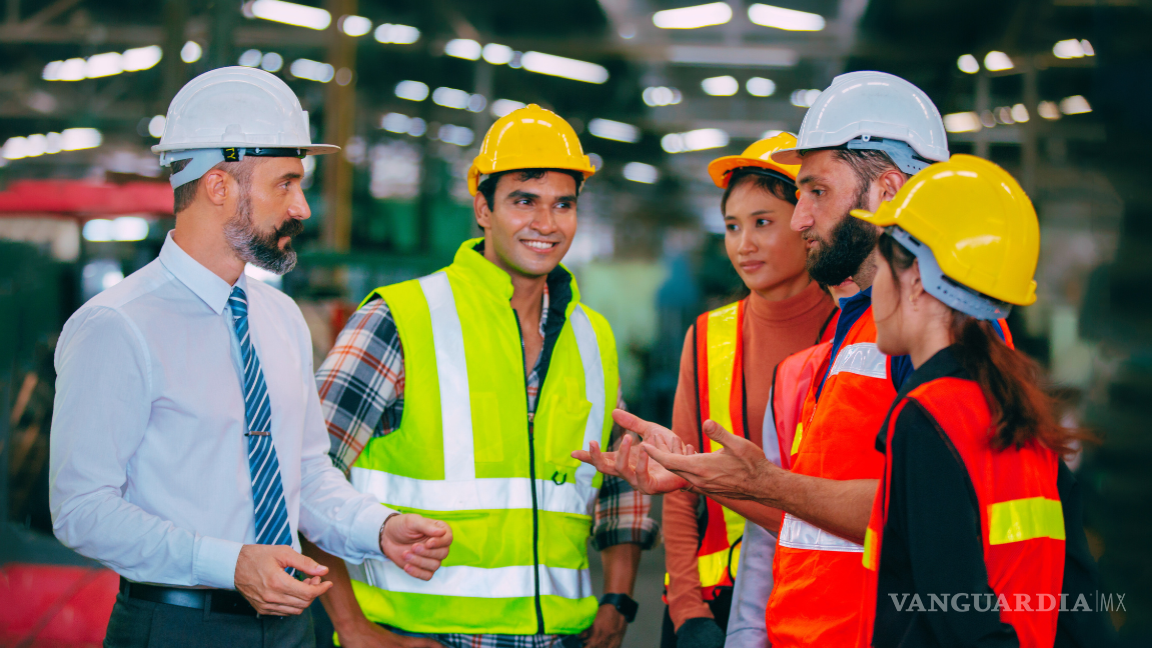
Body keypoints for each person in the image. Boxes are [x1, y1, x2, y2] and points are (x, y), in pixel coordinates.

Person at [49, 67, 450, 648]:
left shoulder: (280, 319)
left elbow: (307, 474)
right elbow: (81, 510)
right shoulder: (117, 326)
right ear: (219, 185)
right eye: (285, 184)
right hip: (174, 627)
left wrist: (378, 527)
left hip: (290, 626)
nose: (303, 207)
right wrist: (228, 563)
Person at [575, 71, 967, 647]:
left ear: (887, 190)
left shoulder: (941, 328)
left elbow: (918, 513)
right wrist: (707, 478)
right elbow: (817, 526)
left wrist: (760, 484)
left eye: (817, 192)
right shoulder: (850, 333)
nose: (800, 218)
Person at [304, 104, 658, 648]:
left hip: (561, 637)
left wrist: (618, 597)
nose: (546, 223)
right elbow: (303, 475)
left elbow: (621, 477)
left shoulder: (592, 335)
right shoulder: (401, 318)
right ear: (483, 209)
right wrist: (353, 629)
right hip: (420, 635)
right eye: (524, 201)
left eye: (564, 204)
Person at [852, 154, 1115, 647]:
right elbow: (1080, 605)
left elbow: (958, 623)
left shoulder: (927, 417)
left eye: (880, 267)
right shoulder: (1026, 412)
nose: (874, 291)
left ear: (914, 277)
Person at [662, 133, 838, 648]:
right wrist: (687, 611)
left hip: (818, 596)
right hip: (713, 606)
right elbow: (677, 489)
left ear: (806, 221)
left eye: (763, 222)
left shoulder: (855, 333)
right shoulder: (708, 335)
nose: (744, 244)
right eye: (732, 227)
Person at [725, 277, 857, 648]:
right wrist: (745, 636)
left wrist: (752, 484)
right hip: (797, 628)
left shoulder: (919, 373)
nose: (803, 220)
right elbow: (768, 539)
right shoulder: (794, 376)